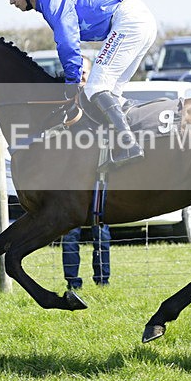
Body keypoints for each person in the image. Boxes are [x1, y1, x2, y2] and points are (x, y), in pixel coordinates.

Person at [0, 0, 157, 168]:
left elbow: (67, 42)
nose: (11, 1)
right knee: (111, 93)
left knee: (95, 87)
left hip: (129, 20)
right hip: (139, 19)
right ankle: (129, 143)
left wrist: (72, 81)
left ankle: (129, 146)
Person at [59, 57, 110, 289]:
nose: (80, 76)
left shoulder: (99, 100)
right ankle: (73, 283)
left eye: (84, 72)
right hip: (70, 178)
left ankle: (102, 282)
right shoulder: (62, 103)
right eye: (76, 72)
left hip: (97, 176)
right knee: (69, 234)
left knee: (101, 231)